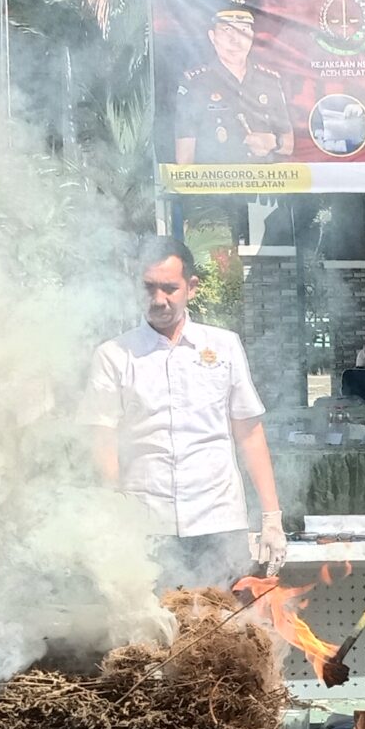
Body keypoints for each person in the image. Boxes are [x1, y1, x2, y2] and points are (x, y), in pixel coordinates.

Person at [87, 238, 287, 590]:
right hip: (148, 526)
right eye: (149, 288)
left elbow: (249, 433)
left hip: (219, 521)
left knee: (224, 622)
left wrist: (272, 517)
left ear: (191, 287)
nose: (158, 299)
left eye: (169, 288)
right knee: (153, 624)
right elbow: (102, 438)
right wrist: (114, 515)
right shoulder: (114, 355)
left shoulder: (224, 346)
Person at [171, 0, 291, 165]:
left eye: (243, 30)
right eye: (227, 30)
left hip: (263, 180)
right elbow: (184, 158)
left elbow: (289, 144)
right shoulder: (195, 83)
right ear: (212, 37)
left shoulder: (269, 81)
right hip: (217, 180)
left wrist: (273, 142)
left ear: (252, 36)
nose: (236, 40)